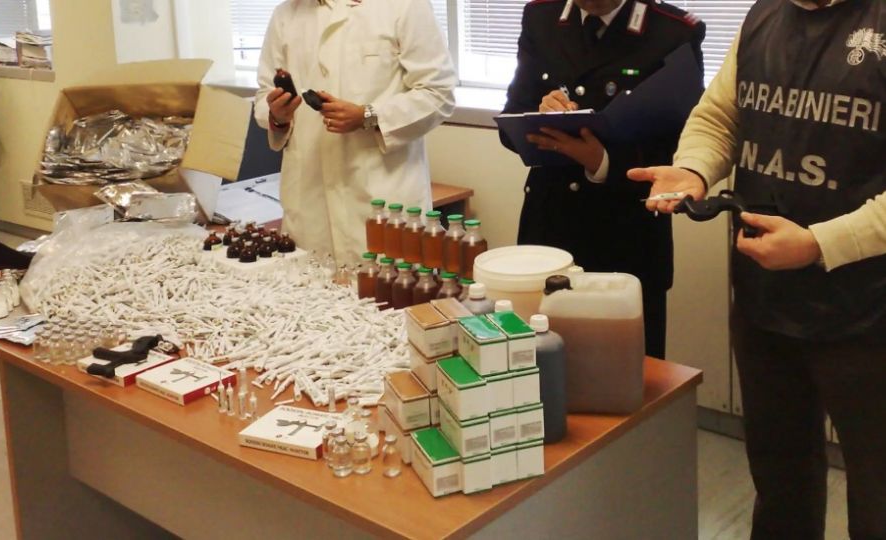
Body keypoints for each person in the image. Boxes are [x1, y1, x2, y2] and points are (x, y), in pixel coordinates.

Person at [628, 0, 886, 537]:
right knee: (781, 481)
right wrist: (694, 169)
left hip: (868, 313)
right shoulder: (763, 16)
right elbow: (720, 118)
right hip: (766, 302)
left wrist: (819, 243)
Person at [499, 0, 705, 359]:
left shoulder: (673, 31)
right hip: (550, 227)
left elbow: (684, 149)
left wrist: (602, 161)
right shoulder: (542, 17)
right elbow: (510, 120)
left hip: (627, 239)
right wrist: (541, 111)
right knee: (539, 367)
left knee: (630, 375)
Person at [254, 0, 457, 263]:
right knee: (310, 283)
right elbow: (264, 94)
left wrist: (367, 116)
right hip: (310, 201)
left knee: (391, 283)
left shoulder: (405, 6)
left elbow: (438, 94)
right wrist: (277, 116)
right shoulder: (286, 14)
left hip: (382, 193)